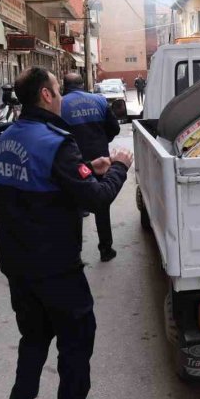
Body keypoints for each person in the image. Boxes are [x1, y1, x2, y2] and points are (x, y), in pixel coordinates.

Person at [0, 67, 132, 399]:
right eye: (56, 89)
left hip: (18, 265)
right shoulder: (56, 141)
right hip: (55, 266)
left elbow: (49, 181)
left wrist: (90, 170)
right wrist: (118, 167)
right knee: (75, 338)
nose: (59, 95)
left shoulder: (6, 138)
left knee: (34, 337)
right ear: (45, 94)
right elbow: (96, 198)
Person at [59, 72, 122, 262]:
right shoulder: (100, 101)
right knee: (101, 204)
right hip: (100, 160)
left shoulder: (60, 104)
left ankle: (75, 253)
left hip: (75, 162)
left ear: (64, 86)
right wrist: (102, 141)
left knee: (74, 207)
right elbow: (115, 128)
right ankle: (106, 249)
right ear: (82, 84)